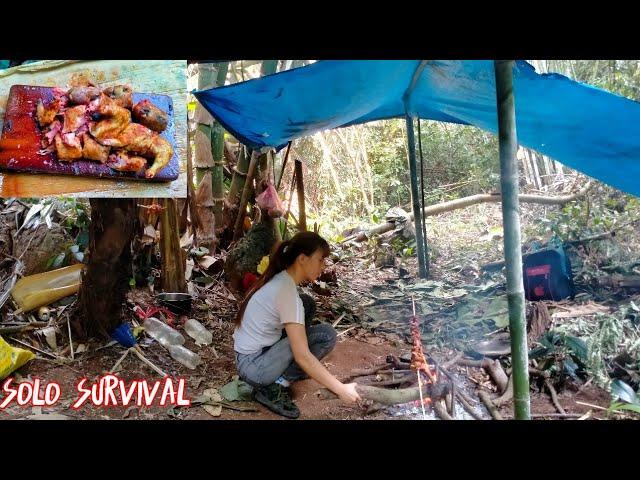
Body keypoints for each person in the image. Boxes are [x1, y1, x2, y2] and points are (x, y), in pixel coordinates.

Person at [233, 231, 361, 418]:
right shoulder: (287, 294)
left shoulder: (281, 279)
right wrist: (341, 389)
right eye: (320, 260)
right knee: (326, 335)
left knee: (307, 303)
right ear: (302, 258)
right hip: (254, 369)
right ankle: (276, 385)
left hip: (249, 356)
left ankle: (278, 372)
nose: (323, 266)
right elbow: (303, 357)